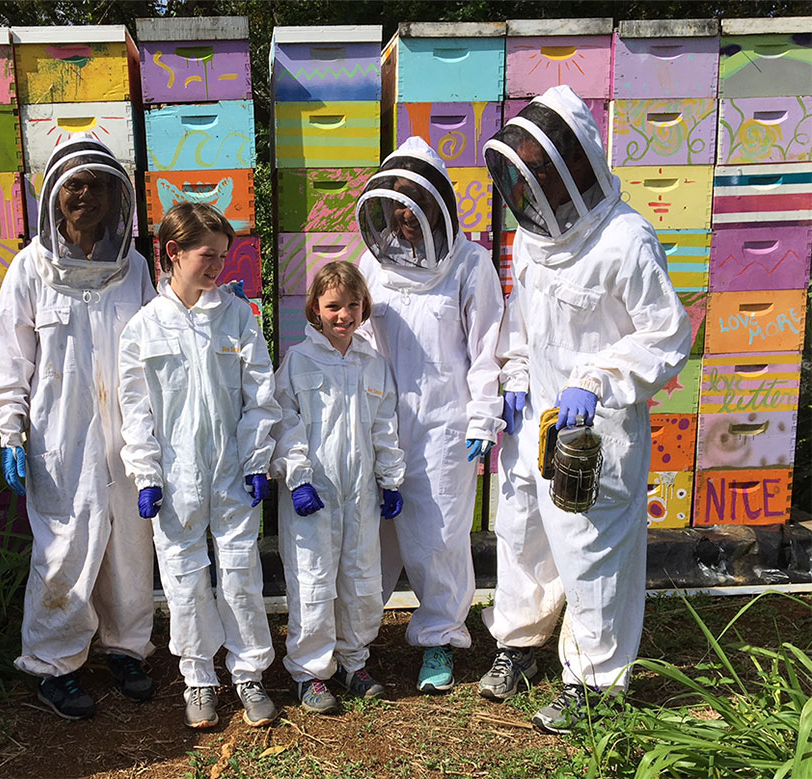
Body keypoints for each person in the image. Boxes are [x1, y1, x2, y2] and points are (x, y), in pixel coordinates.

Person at [479, 85, 691, 734]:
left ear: (576, 166)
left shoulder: (627, 240)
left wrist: (598, 380)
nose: (535, 187)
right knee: (524, 537)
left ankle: (596, 685)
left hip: (597, 431)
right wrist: (513, 372)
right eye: (528, 175)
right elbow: (523, 325)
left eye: (544, 171)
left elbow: (667, 335)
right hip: (535, 417)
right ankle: (519, 645)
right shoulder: (532, 241)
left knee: (595, 555)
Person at [0, 135, 157, 720]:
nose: (86, 196)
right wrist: (9, 429)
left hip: (129, 437)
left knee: (131, 548)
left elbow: (155, 347)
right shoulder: (29, 269)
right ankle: (52, 665)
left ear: (116, 197)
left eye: (99, 185)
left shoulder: (133, 268)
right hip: (60, 439)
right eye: (75, 186)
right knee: (63, 550)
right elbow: (11, 359)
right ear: (55, 198)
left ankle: (127, 649)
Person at [117, 202, 281, 730]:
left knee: (240, 573)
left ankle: (249, 673)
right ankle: (199, 679)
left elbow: (260, 393)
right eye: (207, 256)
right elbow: (135, 407)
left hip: (232, 469)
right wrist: (146, 473)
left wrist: (257, 458)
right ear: (172, 253)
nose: (217, 268)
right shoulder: (144, 328)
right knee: (184, 577)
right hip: (175, 476)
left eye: (222, 257)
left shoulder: (237, 315)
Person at [355, 136, 504, 693]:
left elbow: (488, 347)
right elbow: (358, 342)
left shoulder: (470, 265)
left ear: (438, 201)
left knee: (438, 537)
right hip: (381, 423)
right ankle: (357, 640)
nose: (402, 213)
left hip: (446, 425)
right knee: (372, 536)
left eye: (412, 200)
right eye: (394, 202)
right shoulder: (372, 264)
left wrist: (483, 416)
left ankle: (440, 638)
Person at [271, 261, 406, 713]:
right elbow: (284, 424)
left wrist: (389, 479)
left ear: (364, 307)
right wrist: (297, 476)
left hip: (361, 494)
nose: (343, 315)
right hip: (313, 495)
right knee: (312, 581)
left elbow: (384, 426)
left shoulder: (373, 363)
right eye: (333, 306)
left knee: (362, 579)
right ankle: (310, 671)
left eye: (352, 305)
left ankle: (353, 660)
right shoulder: (299, 360)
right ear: (315, 309)